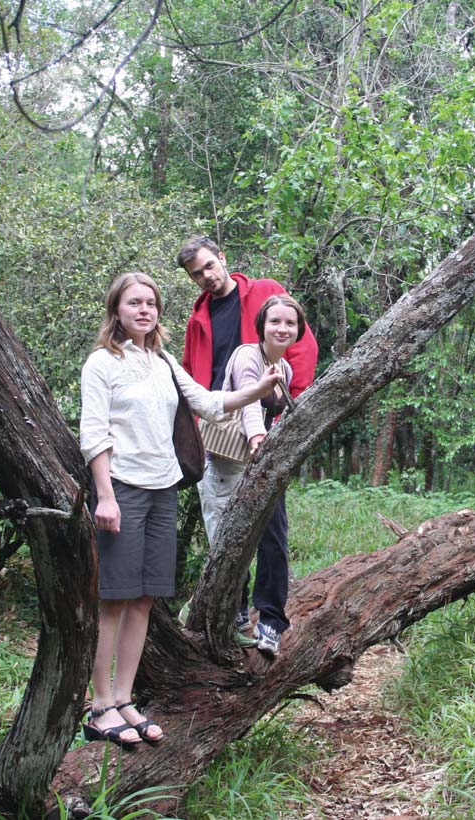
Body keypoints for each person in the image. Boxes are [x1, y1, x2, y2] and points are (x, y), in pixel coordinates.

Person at [79, 272, 280, 749]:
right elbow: (93, 432)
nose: (143, 310)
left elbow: (209, 404)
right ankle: (100, 703)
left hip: (163, 488)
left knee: (145, 598)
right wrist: (104, 495)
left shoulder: (163, 360)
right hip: (122, 489)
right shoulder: (101, 363)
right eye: (133, 303)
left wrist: (258, 389)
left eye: (150, 303)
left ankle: (125, 698)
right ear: (117, 310)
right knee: (113, 600)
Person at [178, 236, 319, 656]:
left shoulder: (266, 295)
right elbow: (193, 374)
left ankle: (270, 619)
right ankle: (231, 613)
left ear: (222, 258)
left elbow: (299, 343)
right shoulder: (198, 317)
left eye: (208, 266)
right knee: (222, 527)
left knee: (272, 530)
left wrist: (286, 403)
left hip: (263, 430)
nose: (205, 276)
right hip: (222, 433)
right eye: (195, 274)